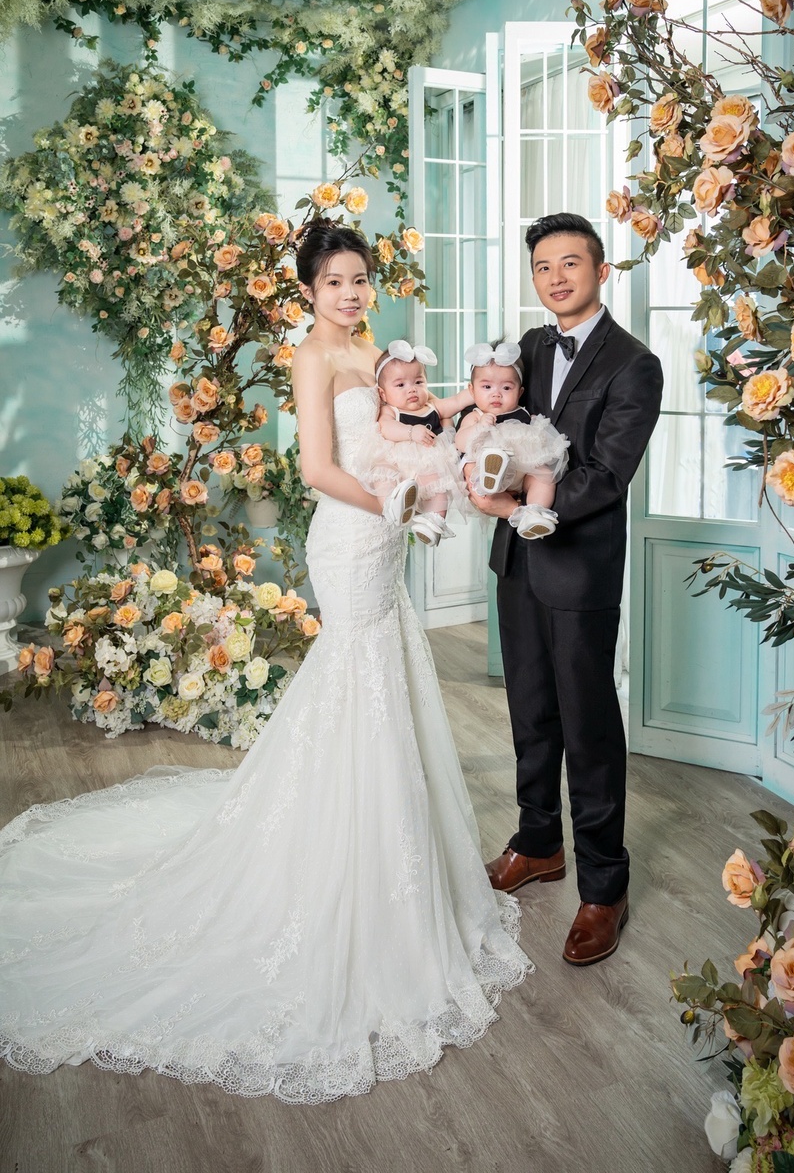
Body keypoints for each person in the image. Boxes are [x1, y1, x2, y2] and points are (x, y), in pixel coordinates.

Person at [0, 219, 531, 1102]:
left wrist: (447, 461)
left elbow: (412, 429)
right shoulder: (312, 357)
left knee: (383, 676)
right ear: (309, 291)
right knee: (355, 678)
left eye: (360, 279)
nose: (351, 294)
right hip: (351, 535)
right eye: (335, 283)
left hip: (387, 537)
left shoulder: (379, 351)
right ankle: (338, 859)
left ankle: (387, 857)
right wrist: (395, 506)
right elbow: (318, 468)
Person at [471, 212, 663, 966]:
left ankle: (604, 887)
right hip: (517, 566)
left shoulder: (635, 364)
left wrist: (520, 505)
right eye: (543, 266)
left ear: (601, 271)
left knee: (587, 724)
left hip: (579, 566)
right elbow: (495, 415)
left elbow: (607, 475)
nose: (555, 277)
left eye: (570, 263)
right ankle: (538, 843)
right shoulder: (527, 346)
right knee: (529, 711)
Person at [351, 339, 472, 546]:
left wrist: (477, 391)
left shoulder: (432, 407)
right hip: (397, 461)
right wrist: (410, 432)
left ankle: (433, 523)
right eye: (401, 385)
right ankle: (393, 505)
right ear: (382, 393)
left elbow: (457, 402)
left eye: (418, 382)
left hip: (427, 463)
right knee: (383, 476)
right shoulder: (391, 410)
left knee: (440, 486)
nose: (412, 390)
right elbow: (385, 427)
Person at [455, 340, 569, 540]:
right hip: (485, 470)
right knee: (476, 464)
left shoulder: (524, 415)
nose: (496, 394)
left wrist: (535, 428)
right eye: (487, 387)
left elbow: (538, 440)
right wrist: (479, 427)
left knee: (544, 475)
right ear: (471, 391)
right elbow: (460, 442)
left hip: (521, 469)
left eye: (506, 388)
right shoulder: (475, 416)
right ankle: (489, 478)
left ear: (520, 392)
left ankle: (535, 512)